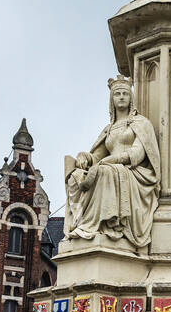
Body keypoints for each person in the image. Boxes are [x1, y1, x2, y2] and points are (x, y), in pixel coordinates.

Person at [65, 77, 160, 251]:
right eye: (117, 94)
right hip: (109, 166)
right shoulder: (108, 129)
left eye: (125, 93)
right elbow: (98, 155)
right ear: (112, 99)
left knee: (106, 172)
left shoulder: (141, 123)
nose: (122, 97)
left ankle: (107, 225)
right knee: (75, 176)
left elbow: (137, 154)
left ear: (131, 98)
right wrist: (84, 157)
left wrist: (111, 160)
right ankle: (85, 225)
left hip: (133, 171)